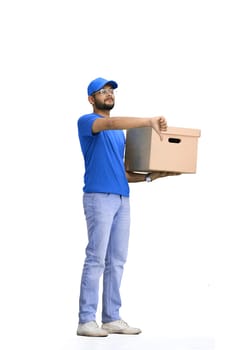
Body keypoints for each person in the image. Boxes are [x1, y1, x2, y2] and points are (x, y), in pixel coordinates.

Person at [76, 77, 179, 337]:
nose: (108, 94)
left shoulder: (117, 134)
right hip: (98, 197)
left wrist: (152, 176)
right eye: (102, 91)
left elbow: (122, 171)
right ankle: (86, 320)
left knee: (117, 260)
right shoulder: (88, 122)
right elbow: (110, 121)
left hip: (123, 198)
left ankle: (111, 317)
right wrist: (147, 122)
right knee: (96, 258)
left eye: (111, 90)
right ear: (92, 99)